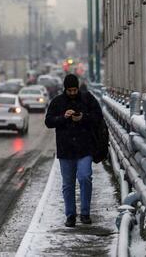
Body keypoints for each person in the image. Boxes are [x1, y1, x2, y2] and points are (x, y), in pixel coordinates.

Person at [44, 74, 103, 227]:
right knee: (68, 184)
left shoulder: (87, 99)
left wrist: (83, 117)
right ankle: (70, 215)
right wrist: (63, 117)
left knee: (85, 177)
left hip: (85, 147)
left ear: (78, 88)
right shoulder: (57, 102)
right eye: (69, 90)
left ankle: (85, 213)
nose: (72, 93)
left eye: (74, 89)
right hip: (66, 149)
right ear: (65, 89)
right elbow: (49, 121)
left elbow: (98, 117)